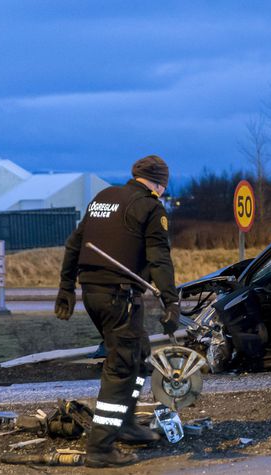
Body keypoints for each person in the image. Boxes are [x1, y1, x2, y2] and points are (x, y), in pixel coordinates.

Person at [54, 155, 180, 468]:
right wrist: (171, 301)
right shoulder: (150, 207)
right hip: (119, 298)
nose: (163, 191)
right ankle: (101, 448)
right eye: (163, 185)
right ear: (158, 183)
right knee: (122, 366)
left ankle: (123, 423)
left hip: (93, 294)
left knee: (138, 355)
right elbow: (159, 258)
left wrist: (66, 288)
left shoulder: (104, 198)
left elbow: (74, 244)